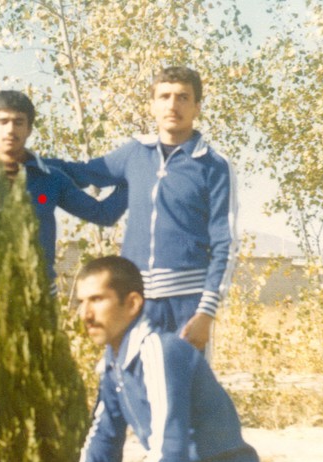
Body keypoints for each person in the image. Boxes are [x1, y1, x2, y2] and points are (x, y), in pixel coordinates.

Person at [58, 256, 261, 462]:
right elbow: (104, 435)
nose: (85, 314)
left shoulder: (159, 351)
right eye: (81, 301)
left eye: (97, 300)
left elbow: (169, 457)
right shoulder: (114, 361)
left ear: (132, 303)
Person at [47, 67, 239, 351]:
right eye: (164, 96)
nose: (172, 105)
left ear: (197, 107)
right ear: (152, 105)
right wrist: (29, 163)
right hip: (133, 300)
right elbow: (83, 173)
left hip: (186, 304)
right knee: (129, 375)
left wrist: (206, 313)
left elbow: (226, 243)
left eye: (183, 97)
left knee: (181, 378)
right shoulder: (136, 153)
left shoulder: (213, 165)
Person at [0, 90, 127, 286]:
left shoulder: (49, 175)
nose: (10, 130)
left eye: (18, 122)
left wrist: (133, 177)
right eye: (3, 122)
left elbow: (101, 211)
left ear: (29, 129)